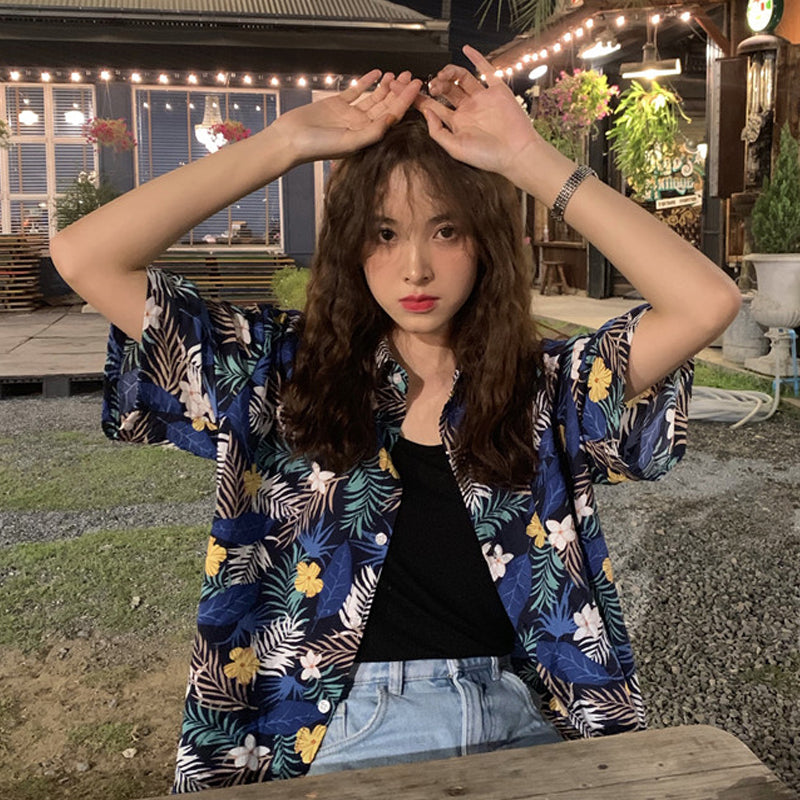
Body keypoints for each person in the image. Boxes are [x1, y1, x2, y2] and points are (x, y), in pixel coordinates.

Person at [51, 46, 741, 792]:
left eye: (446, 231)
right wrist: (285, 142)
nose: (415, 267)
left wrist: (529, 159)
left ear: (485, 244)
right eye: (384, 233)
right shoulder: (282, 374)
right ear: (352, 244)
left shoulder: (543, 387)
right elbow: (87, 256)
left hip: (527, 719)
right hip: (349, 729)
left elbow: (706, 301)